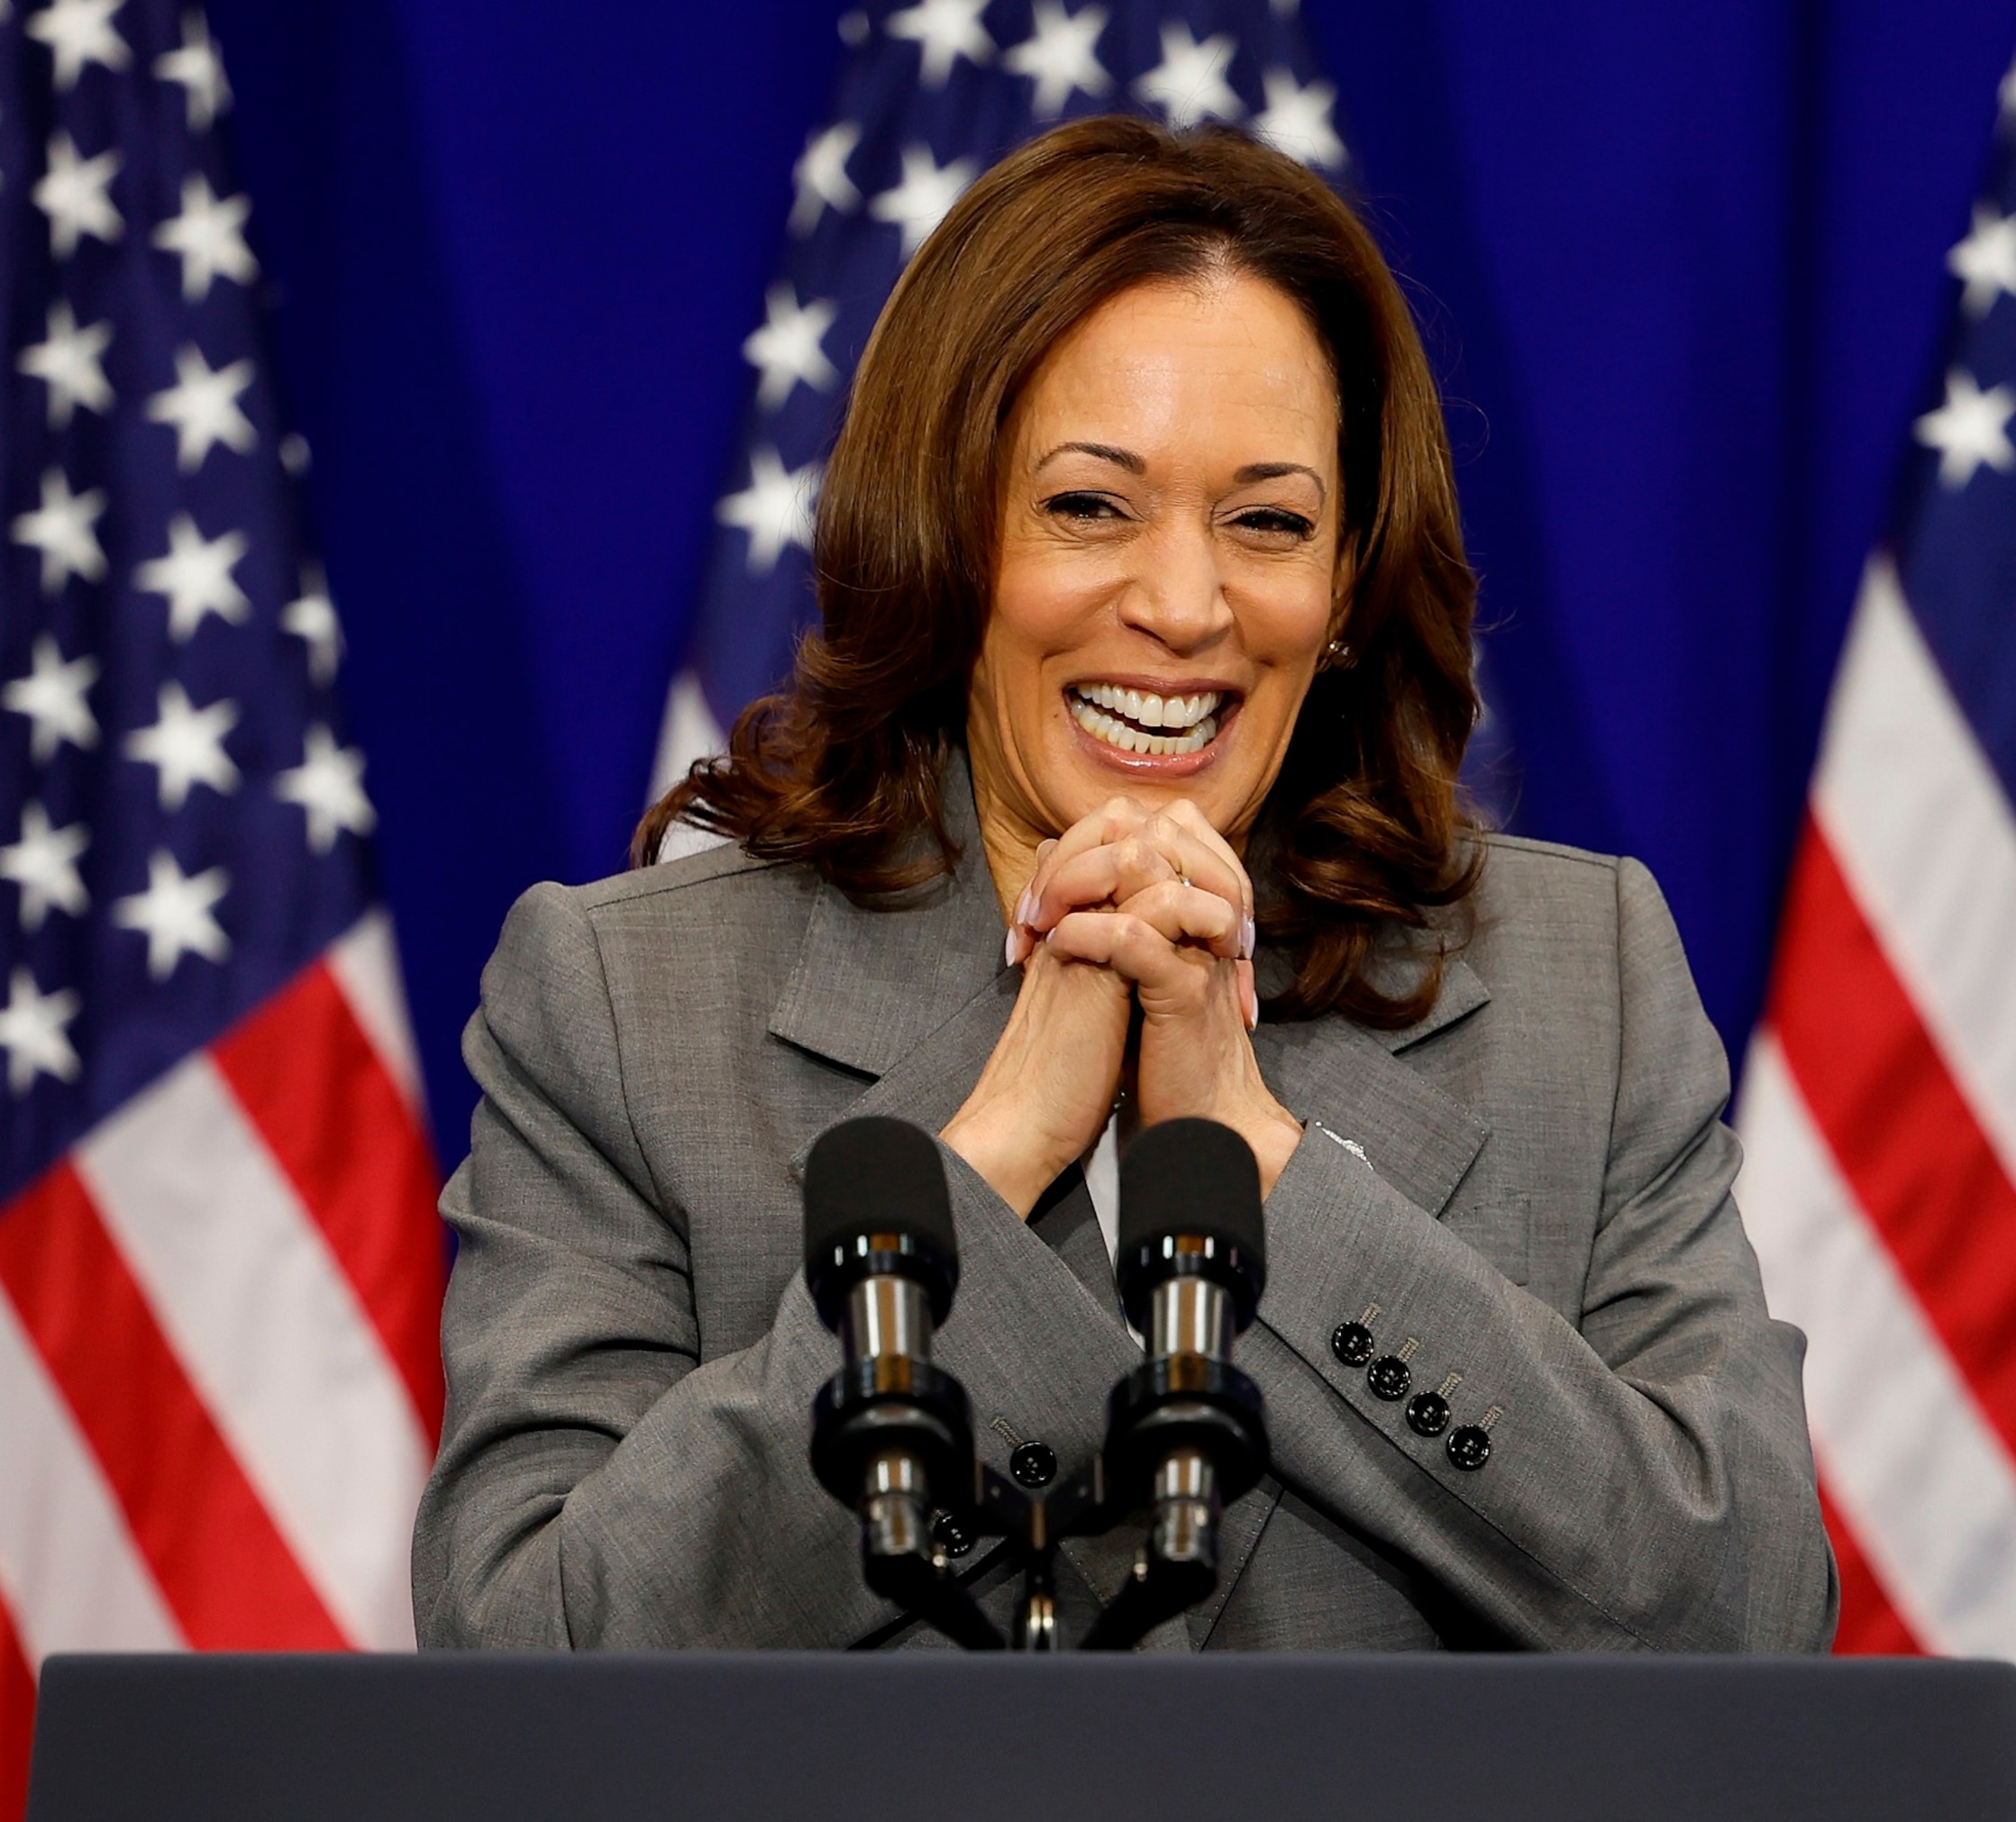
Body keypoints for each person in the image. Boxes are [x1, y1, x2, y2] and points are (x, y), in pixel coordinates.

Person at [412, 115, 1835, 1653]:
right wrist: (990, 1159)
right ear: (954, 533)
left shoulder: (1583, 981)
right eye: (1090, 504)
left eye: (1268, 522)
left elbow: (1744, 1616)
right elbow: (525, 1658)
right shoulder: (626, 1007)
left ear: (1346, 584)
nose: (1181, 605)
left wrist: (1265, 1164)